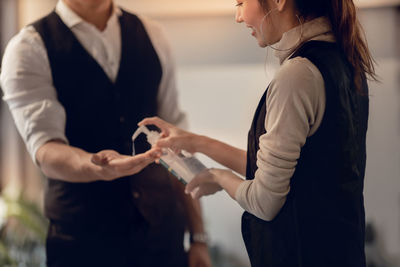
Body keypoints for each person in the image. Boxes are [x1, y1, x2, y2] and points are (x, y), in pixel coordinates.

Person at [140, 0, 376, 266]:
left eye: (241, 2)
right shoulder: (344, 62)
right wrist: (196, 142)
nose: (239, 17)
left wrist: (217, 177)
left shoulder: (298, 75)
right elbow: (289, 173)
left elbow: (265, 202)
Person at [0, 0, 211, 266]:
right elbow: (46, 149)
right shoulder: (28, 48)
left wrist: (199, 237)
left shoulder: (152, 34)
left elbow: (177, 141)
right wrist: (96, 167)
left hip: (162, 240)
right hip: (83, 245)